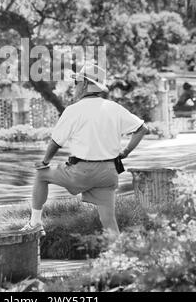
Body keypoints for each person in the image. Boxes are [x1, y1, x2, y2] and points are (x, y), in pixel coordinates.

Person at [20, 63, 148, 239]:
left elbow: (56, 142)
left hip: (81, 172)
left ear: (86, 84)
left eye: (77, 82)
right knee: (109, 221)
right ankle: (119, 260)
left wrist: (45, 162)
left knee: (41, 175)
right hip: (108, 173)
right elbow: (142, 129)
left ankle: (35, 223)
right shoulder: (114, 108)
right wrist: (125, 153)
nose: (75, 86)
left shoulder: (73, 110)